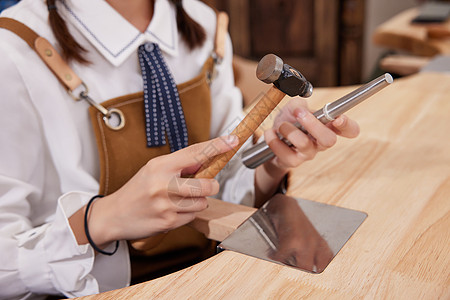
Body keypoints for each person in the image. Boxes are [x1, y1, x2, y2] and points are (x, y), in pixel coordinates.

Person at [0, 0, 360, 298]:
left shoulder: (203, 23)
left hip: (215, 276)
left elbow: (226, 181)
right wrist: (101, 219)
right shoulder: (13, 52)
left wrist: (271, 164)